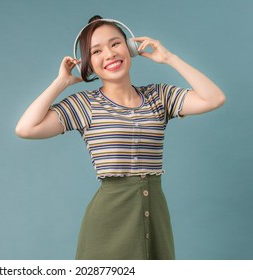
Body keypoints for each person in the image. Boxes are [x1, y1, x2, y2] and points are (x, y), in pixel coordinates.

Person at [15, 15, 225, 260]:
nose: (110, 54)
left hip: (155, 214)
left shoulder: (159, 96)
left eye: (115, 44)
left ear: (130, 48)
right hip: (108, 221)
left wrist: (170, 59)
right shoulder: (85, 104)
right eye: (96, 51)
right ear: (89, 63)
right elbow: (26, 128)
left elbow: (214, 98)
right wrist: (61, 82)